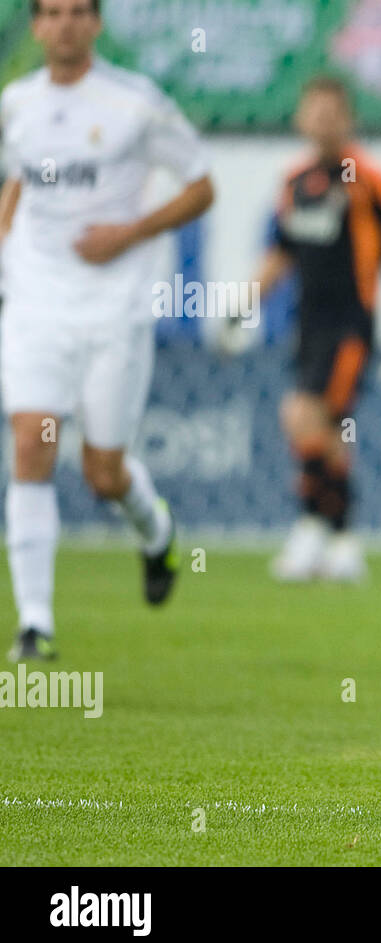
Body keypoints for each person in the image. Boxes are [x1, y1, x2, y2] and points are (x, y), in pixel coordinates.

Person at [0, 0, 214, 661]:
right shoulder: (15, 104)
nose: (65, 24)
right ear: (35, 26)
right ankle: (36, 624)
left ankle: (155, 534)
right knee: (31, 446)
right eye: (52, 13)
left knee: (103, 472)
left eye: (78, 12)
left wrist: (130, 232)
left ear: (95, 24)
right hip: (36, 301)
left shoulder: (135, 102)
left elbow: (201, 186)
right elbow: (14, 182)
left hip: (114, 309)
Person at [249, 75, 381, 582]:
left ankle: (318, 530)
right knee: (324, 430)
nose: (324, 122)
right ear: (300, 119)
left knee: (305, 414)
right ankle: (340, 541)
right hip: (306, 325)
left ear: (349, 119)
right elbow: (279, 255)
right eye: (315, 112)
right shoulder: (293, 183)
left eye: (334, 113)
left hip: (352, 325)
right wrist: (241, 306)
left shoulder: (370, 179)